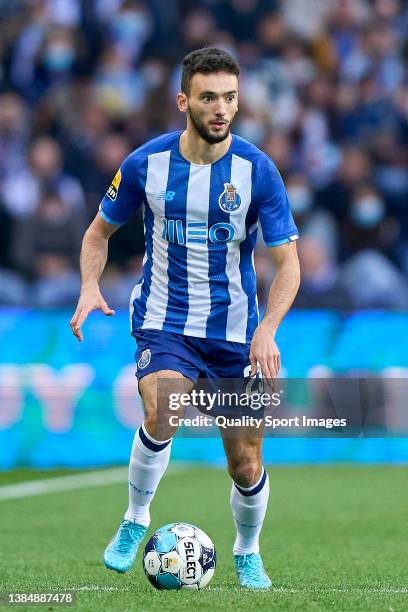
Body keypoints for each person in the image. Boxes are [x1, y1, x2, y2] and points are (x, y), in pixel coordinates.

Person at [70, 47, 300, 589]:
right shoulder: (143, 165)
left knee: (245, 463)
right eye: (208, 97)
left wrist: (267, 328)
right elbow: (98, 232)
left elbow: (288, 261)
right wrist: (87, 285)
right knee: (164, 406)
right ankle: (134, 520)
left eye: (230, 97)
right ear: (183, 101)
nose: (221, 109)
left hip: (235, 333)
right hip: (164, 319)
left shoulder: (257, 170)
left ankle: (247, 550)